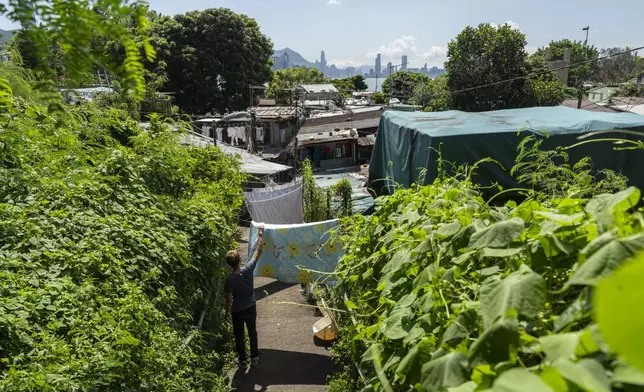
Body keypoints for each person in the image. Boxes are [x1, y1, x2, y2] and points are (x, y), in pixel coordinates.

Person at [224, 226, 264, 367]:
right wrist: (260, 233)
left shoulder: (229, 280)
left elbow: (229, 298)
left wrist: (227, 313)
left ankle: (242, 360)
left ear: (229, 264)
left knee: (239, 336)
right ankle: (254, 358)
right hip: (250, 306)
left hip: (237, 310)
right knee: (252, 332)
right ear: (240, 259)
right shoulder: (248, 270)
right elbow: (259, 250)